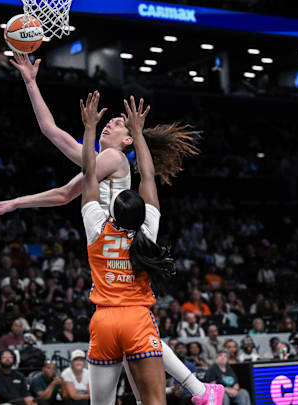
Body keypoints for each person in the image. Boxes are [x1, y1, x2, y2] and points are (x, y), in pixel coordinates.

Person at [0, 55, 219, 405]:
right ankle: (200, 391)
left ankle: (199, 390)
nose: (113, 121)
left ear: (128, 142)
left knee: (131, 336)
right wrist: (31, 82)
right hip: (130, 244)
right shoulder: (105, 159)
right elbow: (51, 132)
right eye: (110, 122)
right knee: (141, 331)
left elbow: (68, 194)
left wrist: (17, 202)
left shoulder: (113, 159)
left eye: (120, 125)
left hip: (107, 240)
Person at [79, 93, 206, 405]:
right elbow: (148, 175)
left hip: (104, 321)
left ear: (114, 211)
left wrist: (90, 129)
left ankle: (200, 390)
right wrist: (138, 134)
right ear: (142, 212)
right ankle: (200, 391)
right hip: (137, 319)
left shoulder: (96, 225)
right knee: (152, 401)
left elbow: (88, 175)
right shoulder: (148, 232)